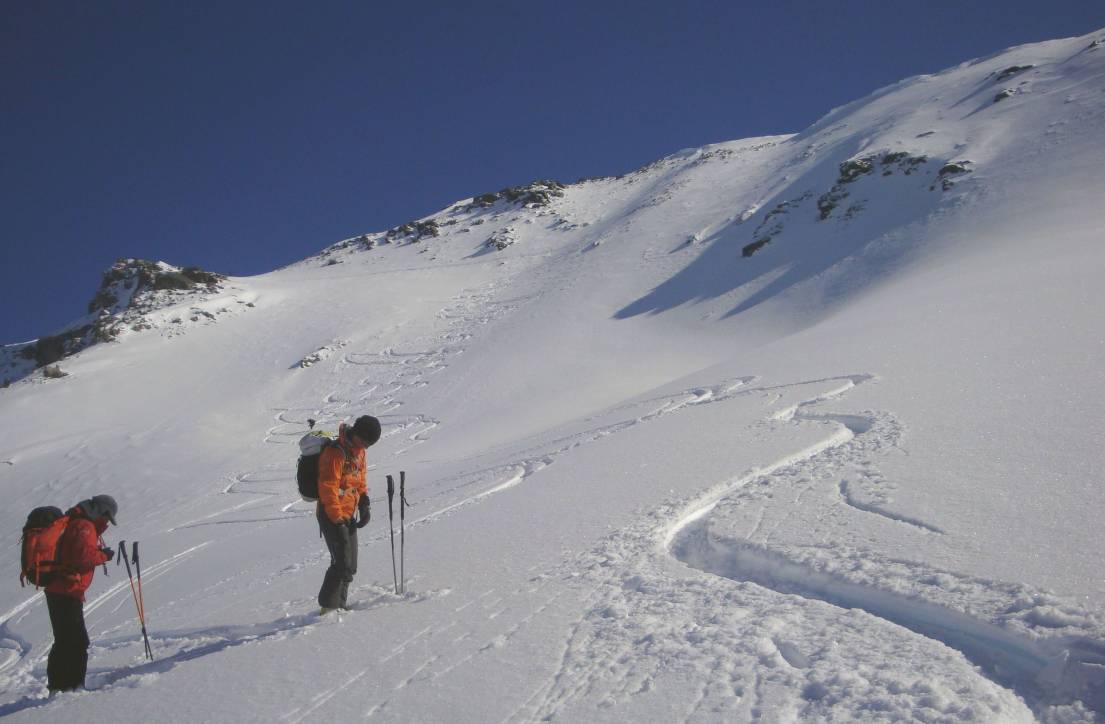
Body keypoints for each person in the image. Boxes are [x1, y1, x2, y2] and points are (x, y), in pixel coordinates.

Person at [44, 494, 117, 692]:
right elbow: (82, 557)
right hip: (66, 589)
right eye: (107, 518)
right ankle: (71, 687)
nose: (106, 523)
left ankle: (60, 687)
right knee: (75, 642)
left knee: (66, 640)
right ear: (102, 512)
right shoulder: (84, 526)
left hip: (61, 588)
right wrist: (104, 555)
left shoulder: (77, 522)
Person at [317, 415, 380, 613]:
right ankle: (327, 609)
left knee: (350, 565)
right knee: (341, 563)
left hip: (347, 513)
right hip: (331, 514)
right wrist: (337, 518)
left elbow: (360, 480)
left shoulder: (360, 452)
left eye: (369, 445)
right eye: (364, 442)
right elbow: (327, 487)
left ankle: (340, 607)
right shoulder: (335, 453)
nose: (366, 447)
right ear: (357, 433)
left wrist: (364, 503)